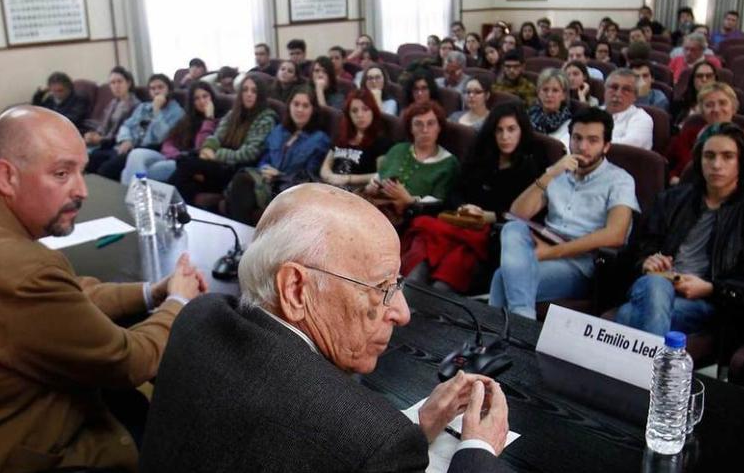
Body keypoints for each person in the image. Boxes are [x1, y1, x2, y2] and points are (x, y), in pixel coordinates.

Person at [0, 106, 208, 472]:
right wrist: (178, 303)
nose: (81, 190)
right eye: (61, 173)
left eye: (81, 170)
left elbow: (70, 294)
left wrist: (151, 292)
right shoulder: (22, 270)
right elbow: (128, 362)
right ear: (6, 177)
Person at [139, 183, 513, 472]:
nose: (402, 313)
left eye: (397, 284)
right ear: (296, 289)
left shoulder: (198, 316)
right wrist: (478, 450)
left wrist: (421, 425)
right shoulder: (374, 441)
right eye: (383, 288)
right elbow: (338, 438)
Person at [615, 123, 744, 336]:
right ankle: (654, 368)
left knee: (628, 315)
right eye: (709, 156)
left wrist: (712, 288)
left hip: (707, 301)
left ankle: (640, 365)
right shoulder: (672, 199)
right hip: (658, 285)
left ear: (741, 162)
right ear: (699, 160)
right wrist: (647, 262)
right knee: (656, 286)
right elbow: (640, 249)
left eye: (727, 156)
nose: (716, 165)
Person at [488, 107, 639, 319]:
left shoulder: (620, 180)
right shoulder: (558, 171)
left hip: (581, 265)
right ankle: (519, 326)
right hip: (543, 247)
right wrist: (551, 174)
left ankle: (514, 329)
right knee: (513, 228)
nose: (582, 146)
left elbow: (616, 234)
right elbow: (517, 212)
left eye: (592, 140)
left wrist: (551, 253)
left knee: (502, 278)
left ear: (606, 146)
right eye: (577, 138)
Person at [403, 102, 549, 293]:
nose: (505, 137)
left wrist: (489, 216)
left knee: (453, 265)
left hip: (489, 233)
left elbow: (526, 215)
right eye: (499, 130)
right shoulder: (481, 155)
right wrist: (464, 207)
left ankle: (434, 305)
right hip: (460, 221)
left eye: (511, 129)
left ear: (521, 131)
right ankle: (407, 294)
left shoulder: (531, 166)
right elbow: (455, 191)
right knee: (424, 243)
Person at [225, 86, 331, 225]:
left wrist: (279, 175)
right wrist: (265, 168)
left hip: (290, 190)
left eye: (305, 106)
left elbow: (310, 176)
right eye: (296, 104)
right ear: (289, 106)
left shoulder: (320, 139)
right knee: (242, 180)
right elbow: (265, 157)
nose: (299, 109)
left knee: (242, 183)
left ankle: (240, 233)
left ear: (313, 110)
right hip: (266, 183)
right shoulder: (279, 130)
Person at [171, 75, 277, 205]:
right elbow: (216, 136)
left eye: (254, 91)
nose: (249, 94)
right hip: (220, 166)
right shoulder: (233, 113)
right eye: (245, 90)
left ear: (260, 94)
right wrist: (208, 147)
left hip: (238, 170)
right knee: (187, 178)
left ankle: (164, 206)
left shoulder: (266, 119)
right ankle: (179, 214)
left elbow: (249, 153)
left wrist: (215, 155)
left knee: (185, 164)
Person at [362, 101, 460, 227]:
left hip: (413, 221)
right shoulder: (398, 149)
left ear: (439, 127)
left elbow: (440, 206)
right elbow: (378, 177)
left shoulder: (449, 163)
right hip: (377, 209)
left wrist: (409, 200)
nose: (425, 130)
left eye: (431, 124)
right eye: (418, 124)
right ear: (410, 128)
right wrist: (372, 187)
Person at [121, 81, 225, 185]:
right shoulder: (187, 119)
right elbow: (168, 142)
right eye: (196, 99)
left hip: (189, 163)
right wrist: (176, 155)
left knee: (128, 172)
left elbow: (201, 147)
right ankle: (139, 197)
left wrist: (209, 119)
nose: (202, 101)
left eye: (205, 96)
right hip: (173, 157)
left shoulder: (220, 121)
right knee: (136, 154)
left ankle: (136, 198)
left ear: (212, 97)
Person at [88, 73, 184, 180]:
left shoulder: (177, 112)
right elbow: (126, 126)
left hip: (152, 149)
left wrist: (157, 111)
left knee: (106, 169)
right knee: (93, 159)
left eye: (160, 87)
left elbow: (163, 136)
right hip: (130, 145)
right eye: (153, 88)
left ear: (169, 90)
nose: (156, 91)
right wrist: (126, 140)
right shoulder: (143, 107)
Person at [667, 82, 744, 184]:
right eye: (709, 105)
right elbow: (667, 167)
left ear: (734, 108)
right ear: (702, 111)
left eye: (722, 103)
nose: (716, 110)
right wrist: (673, 179)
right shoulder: (687, 135)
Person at [320, 89, 393, 190]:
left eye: (365, 109)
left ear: (373, 111)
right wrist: (329, 176)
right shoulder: (341, 136)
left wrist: (348, 179)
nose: (360, 115)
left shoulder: (381, 141)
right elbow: (325, 167)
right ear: (349, 115)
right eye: (354, 111)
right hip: (331, 188)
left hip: (357, 194)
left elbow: (381, 175)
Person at [83, 66, 141, 151]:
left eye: (119, 82)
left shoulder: (135, 105)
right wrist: (93, 135)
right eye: (112, 83)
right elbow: (102, 126)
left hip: (116, 144)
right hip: (103, 142)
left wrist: (101, 140)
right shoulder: (113, 103)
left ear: (128, 83)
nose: (116, 86)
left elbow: (127, 132)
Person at [603, 68, 654, 150]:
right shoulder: (594, 112)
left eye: (626, 90)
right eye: (613, 87)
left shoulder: (642, 119)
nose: (618, 94)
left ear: (635, 96)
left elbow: (628, 147)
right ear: (604, 90)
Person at [529, 68, 572, 146]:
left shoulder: (569, 124)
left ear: (564, 95)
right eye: (545, 90)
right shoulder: (529, 114)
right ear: (538, 93)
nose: (549, 95)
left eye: (555, 90)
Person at [670, 60, 717, 127]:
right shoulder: (680, 104)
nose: (704, 79)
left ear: (715, 79)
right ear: (693, 80)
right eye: (699, 76)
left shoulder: (720, 106)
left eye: (709, 76)